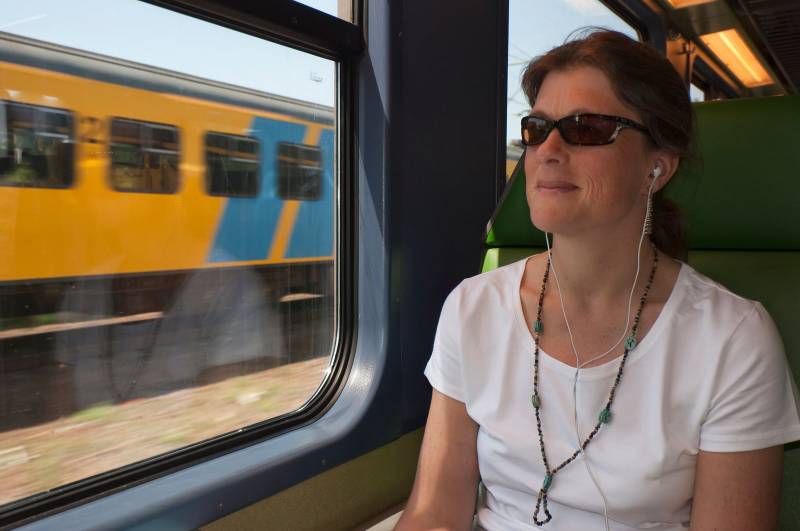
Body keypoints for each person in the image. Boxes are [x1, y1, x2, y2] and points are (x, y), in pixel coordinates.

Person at [394, 30, 800, 531]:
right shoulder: (471, 307)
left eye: (586, 128)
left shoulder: (731, 339)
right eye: (537, 128)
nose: (548, 149)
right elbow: (434, 515)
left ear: (656, 167)